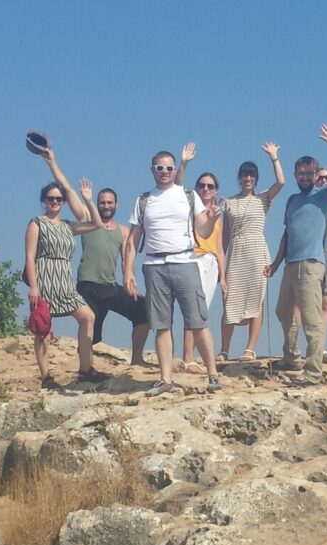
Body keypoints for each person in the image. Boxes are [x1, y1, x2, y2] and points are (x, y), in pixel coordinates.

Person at [123, 149, 222, 396]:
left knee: (198, 321)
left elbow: (204, 231)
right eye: (160, 168)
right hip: (154, 266)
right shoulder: (143, 200)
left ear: (175, 169)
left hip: (186, 261)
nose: (165, 172)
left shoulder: (188, 196)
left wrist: (210, 218)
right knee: (161, 325)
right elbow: (133, 240)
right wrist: (127, 271)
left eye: (169, 168)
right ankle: (165, 378)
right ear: (152, 170)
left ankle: (213, 374)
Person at [265, 126, 327, 386]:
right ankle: (292, 358)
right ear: (295, 175)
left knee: (312, 321)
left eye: (309, 173)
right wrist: (275, 263)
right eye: (301, 173)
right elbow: (287, 235)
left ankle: (313, 372)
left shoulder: (325, 195)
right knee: (283, 311)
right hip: (290, 265)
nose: (304, 177)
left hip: (311, 264)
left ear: (316, 175)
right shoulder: (292, 200)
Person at [24, 147, 111, 389]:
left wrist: (88, 200)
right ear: (44, 201)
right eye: (51, 198)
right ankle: (46, 377)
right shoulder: (36, 224)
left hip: (64, 280)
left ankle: (85, 369)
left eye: (58, 199)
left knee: (88, 317)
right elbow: (29, 257)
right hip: (44, 281)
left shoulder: (67, 225)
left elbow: (96, 223)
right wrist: (33, 286)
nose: (55, 202)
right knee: (42, 329)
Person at [218, 143, 284, 361]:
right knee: (230, 302)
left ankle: (250, 348)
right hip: (236, 253)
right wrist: (221, 270)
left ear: (256, 179)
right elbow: (224, 236)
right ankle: (224, 350)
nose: (248, 179)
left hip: (257, 251)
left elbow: (281, 182)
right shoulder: (228, 202)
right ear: (239, 178)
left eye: (252, 175)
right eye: (245, 175)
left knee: (256, 300)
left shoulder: (262, 198)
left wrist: (274, 157)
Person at [76, 187, 151, 366]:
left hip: (109, 287)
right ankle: (85, 369)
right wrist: (52, 163)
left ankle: (137, 359)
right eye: (102, 202)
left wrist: (130, 281)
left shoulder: (123, 231)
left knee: (143, 311)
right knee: (91, 332)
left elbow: (127, 260)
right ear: (97, 204)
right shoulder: (88, 221)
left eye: (110, 202)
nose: (106, 206)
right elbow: (69, 194)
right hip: (88, 286)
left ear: (116, 204)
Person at [174, 144, 226, 374]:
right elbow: (176, 187)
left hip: (212, 263)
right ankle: (188, 358)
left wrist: (223, 277)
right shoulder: (189, 208)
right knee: (193, 309)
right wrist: (183, 163)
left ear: (216, 190)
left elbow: (220, 248)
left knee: (202, 311)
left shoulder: (217, 216)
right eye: (202, 185)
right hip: (193, 259)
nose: (206, 189)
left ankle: (193, 356)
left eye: (210, 186)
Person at [288, 166, 327, 356]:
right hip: (310, 255)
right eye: (321, 177)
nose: (325, 180)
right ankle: (296, 344)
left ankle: (320, 347)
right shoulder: (312, 199)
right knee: (300, 301)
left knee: (326, 301)